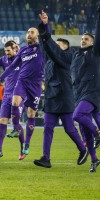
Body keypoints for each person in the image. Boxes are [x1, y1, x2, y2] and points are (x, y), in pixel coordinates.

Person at [38, 10, 100, 172]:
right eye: (82, 38)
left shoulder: (87, 54)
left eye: (87, 38)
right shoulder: (75, 56)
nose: (83, 40)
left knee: (74, 122)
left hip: (82, 94)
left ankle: (92, 139)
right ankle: (93, 160)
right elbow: (49, 48)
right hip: (72, 96)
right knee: (75, 129)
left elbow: (97, 39)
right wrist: (44, 28)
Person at [0, 27, 45, 156]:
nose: (29, 34)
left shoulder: (42, 48)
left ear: (37, 35)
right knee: (15, 103)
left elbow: (46, 35)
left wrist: (45, 24)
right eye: (28, 32)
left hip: (36, 84)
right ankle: (15, 129)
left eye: (32, 32)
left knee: (31, 114)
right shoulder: (23, 51)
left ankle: (26, 143)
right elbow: (12, 67)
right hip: (22, 82)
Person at [0, 41, 26, 160]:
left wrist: (20, 52)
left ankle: (23, 147)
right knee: (2, 121)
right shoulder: (4, 59)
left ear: (15, 49)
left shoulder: (22, 59)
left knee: (16, 122)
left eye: (9, 51)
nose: (7, 53)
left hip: (19, 94)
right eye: (5, 51)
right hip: (7, 94)